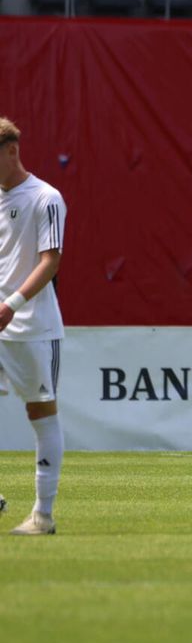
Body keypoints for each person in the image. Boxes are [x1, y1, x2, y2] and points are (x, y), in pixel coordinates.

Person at [0, 117, 67, 535]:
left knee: (40, 413)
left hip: (31, 327)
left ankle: (42, 514)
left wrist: (12, 303)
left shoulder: (46, 198)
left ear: (11, 151)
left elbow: (51, 260)